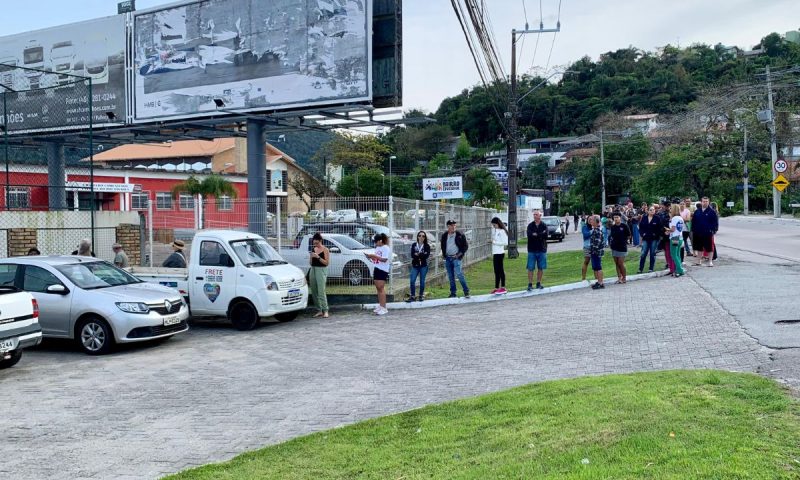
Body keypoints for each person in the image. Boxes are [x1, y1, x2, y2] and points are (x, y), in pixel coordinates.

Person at [440, 220, 470, 298]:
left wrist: (458, 255)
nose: (453, 227)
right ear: (448, 226)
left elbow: (465, 246)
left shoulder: (460, 234)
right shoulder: (444, 235)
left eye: (454, 225)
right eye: (451, 225)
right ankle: (453, 292)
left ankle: (466, 291)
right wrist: (443, 254)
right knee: (450, 276)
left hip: (456, 258)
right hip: (448, 258)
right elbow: (442, 245)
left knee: (459, 274)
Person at [365, 233, 391, 315]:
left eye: (376, 242)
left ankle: (384, 307)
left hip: (383, 269)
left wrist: (374, 256)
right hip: (377, 268)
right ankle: (381, 305)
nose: (375, 243)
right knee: (378, 288)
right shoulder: (378, 248)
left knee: (381, 288)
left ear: (380, 241)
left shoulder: (385, 248)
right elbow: (377, 258)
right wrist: (371, 257)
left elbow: (384, 259)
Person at [692, 197, 718, 267]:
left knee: (709, 247)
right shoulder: (697, 211)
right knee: (699, 247)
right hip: (698, 232)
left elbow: (715, 222)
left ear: (709, 202)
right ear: (701, 202)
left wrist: (713, 230)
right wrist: (693, 230)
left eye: (706, 201)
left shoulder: (712, 211)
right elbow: (694, 221)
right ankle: (698, 261)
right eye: (704, 201)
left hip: (707, 233)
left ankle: (710, 261)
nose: (705, 203)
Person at [308, 233, 330, 318]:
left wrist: (318, 257)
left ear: (321, 241)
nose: (316, 245)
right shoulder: (313, 249)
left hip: (321, 270)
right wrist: (311, 256)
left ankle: (326, 310)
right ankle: (319, 310)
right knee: (314, 290)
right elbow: (310, 263)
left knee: (321, 290)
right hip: (313, 269)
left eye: (317, 243)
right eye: (314, 243)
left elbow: (327, 263)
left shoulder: (325, 250)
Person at [526, 209, 548, 291]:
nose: (535, 216)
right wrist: (540, 234)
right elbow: (529, 235)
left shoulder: (544, 225)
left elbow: (546, 235)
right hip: (532, 250)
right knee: (530, 268)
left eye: (536, 214)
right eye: (534, 215)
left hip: (542, 249)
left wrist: (536, 234)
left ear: (540, 216)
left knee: (541, 267)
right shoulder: (530, 226)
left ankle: (538, 283)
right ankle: (530, 284)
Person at [408, 230, 431, 302]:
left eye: (423, 236)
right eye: (420, 235)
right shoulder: (414, 245)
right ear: (417, 237)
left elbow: (426, 256)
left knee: (422, 281)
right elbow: (412, 254)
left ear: (425, 238)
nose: (421, 237)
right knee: (412, 280)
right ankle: (412, 296)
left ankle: (421, 295)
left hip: (423, 266)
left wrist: (418, 254)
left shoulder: (427, 246)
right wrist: (421, 254)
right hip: (415, 265)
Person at [608, 212, 631, 283]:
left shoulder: (624, 226)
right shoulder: (613, 227)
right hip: (614, 247)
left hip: (622, 247)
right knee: (616, 263)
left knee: (621, 263)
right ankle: (619, 277)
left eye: (617, 217)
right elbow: (611, 236)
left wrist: (625, 240)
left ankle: (624, 277)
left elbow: (629, 235)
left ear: (620, 218)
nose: (616, 219)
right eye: (614, 217)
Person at [637, 206, 661, 273]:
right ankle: (640, 269)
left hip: (654, 239)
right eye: (650, 210)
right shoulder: (644, 218)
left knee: (652, 253)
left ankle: (651, 268)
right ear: (648, 211)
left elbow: (659, 228)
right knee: (643, 253)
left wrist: (655, 234)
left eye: (653, 210)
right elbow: (640, 227)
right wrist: (642, 234)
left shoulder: (657, 218)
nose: (652, 211)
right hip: (645, 238)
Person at [490, 217, 508, 294]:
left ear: (497, 224)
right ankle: (496, 287)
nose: (494, 226)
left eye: (494, 225)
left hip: (500, 253)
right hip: (495, 253)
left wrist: (494, 242)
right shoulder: (496, 231)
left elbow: (505, 242)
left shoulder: (502, 231)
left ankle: (503, 287)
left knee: (500, 270)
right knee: (496, 271)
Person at [668, 204, 686, 277]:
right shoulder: (680, 218)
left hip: (674, 237)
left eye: (671, 208)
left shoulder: (674, 218)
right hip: (680, 237)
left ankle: (680, 269)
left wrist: (668, 230)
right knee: (678, 254)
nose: (670, 210)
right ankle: (678, 269)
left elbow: (673, 229)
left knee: (673, 254)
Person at [589, 215, 605, 289]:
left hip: (596, 252)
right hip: (594, 252)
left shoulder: (597, 231)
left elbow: (597, 243)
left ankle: (600, 283)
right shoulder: (595, 229)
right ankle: (598, 281)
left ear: (596, 221)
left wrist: (593, 251)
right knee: (596, 267)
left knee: (598, 267)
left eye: (592, 220)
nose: (590, 221)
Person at [581, 215, 593, 281]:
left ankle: (596, 278)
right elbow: (586, 235)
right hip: (587, 246)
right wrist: (592, 231)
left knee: (595, 262)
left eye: (591, 219)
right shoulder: (585, 227)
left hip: (594, 247)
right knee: (586, 261)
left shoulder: (595, 227)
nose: (590, 220)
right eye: (589, 219)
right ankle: (583, 278)